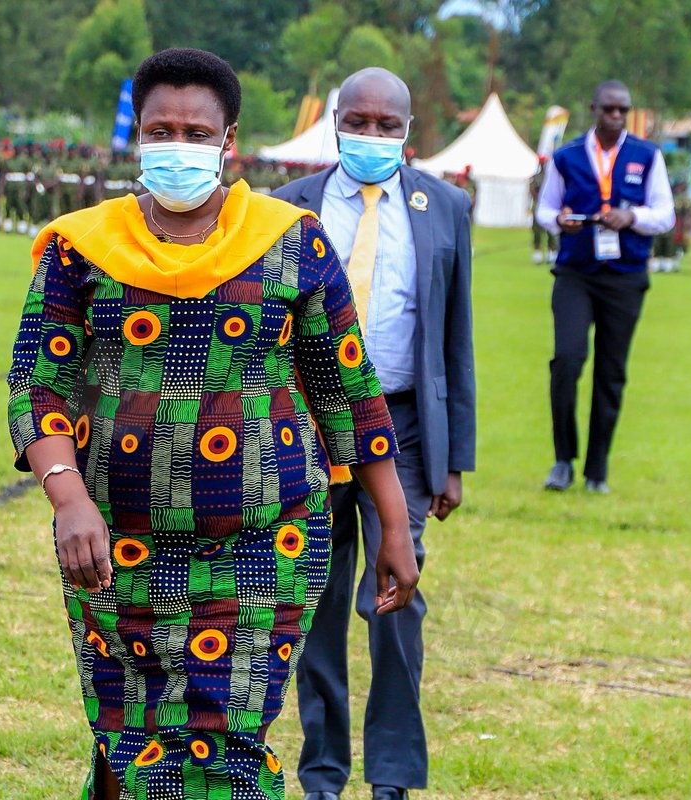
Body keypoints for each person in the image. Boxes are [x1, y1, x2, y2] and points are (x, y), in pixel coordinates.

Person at [5, 48, 419, 800]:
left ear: (229, 141)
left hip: (266, 545)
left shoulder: (290, 241)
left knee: (223, 744)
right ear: (137, 136)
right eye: (161, 130)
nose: (179, 146)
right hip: (113, 547)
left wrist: (394, 525)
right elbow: (38, 383)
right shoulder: (81, 247)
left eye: (197, 133)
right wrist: (67, 498)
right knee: (132, 730)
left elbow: (348, 393)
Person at [273, 66, 475, 800]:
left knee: (396, 594)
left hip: (407, 428)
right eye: (359, 122)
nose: (372, 135)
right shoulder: (287, 208)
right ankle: (323, 773)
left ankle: (391, 778)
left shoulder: (445, 206)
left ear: (408, 131)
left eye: (387, 126)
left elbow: (457, 335)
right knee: (316, 602)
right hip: (308, 427)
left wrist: (457, 459)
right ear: (334, 121)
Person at [535, 79, 674, 493]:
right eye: (608, 109)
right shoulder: (567, 156)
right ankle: (563, 460)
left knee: (611, 373)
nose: (616, 117)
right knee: (567, 360)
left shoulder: (647, 156)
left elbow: (664, 214)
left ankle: (597, 470)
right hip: (576, 272)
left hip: (625, 278)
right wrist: (559, 221)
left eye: (623, 110)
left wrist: (632, 218)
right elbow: (544, 208)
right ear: (593, 108)